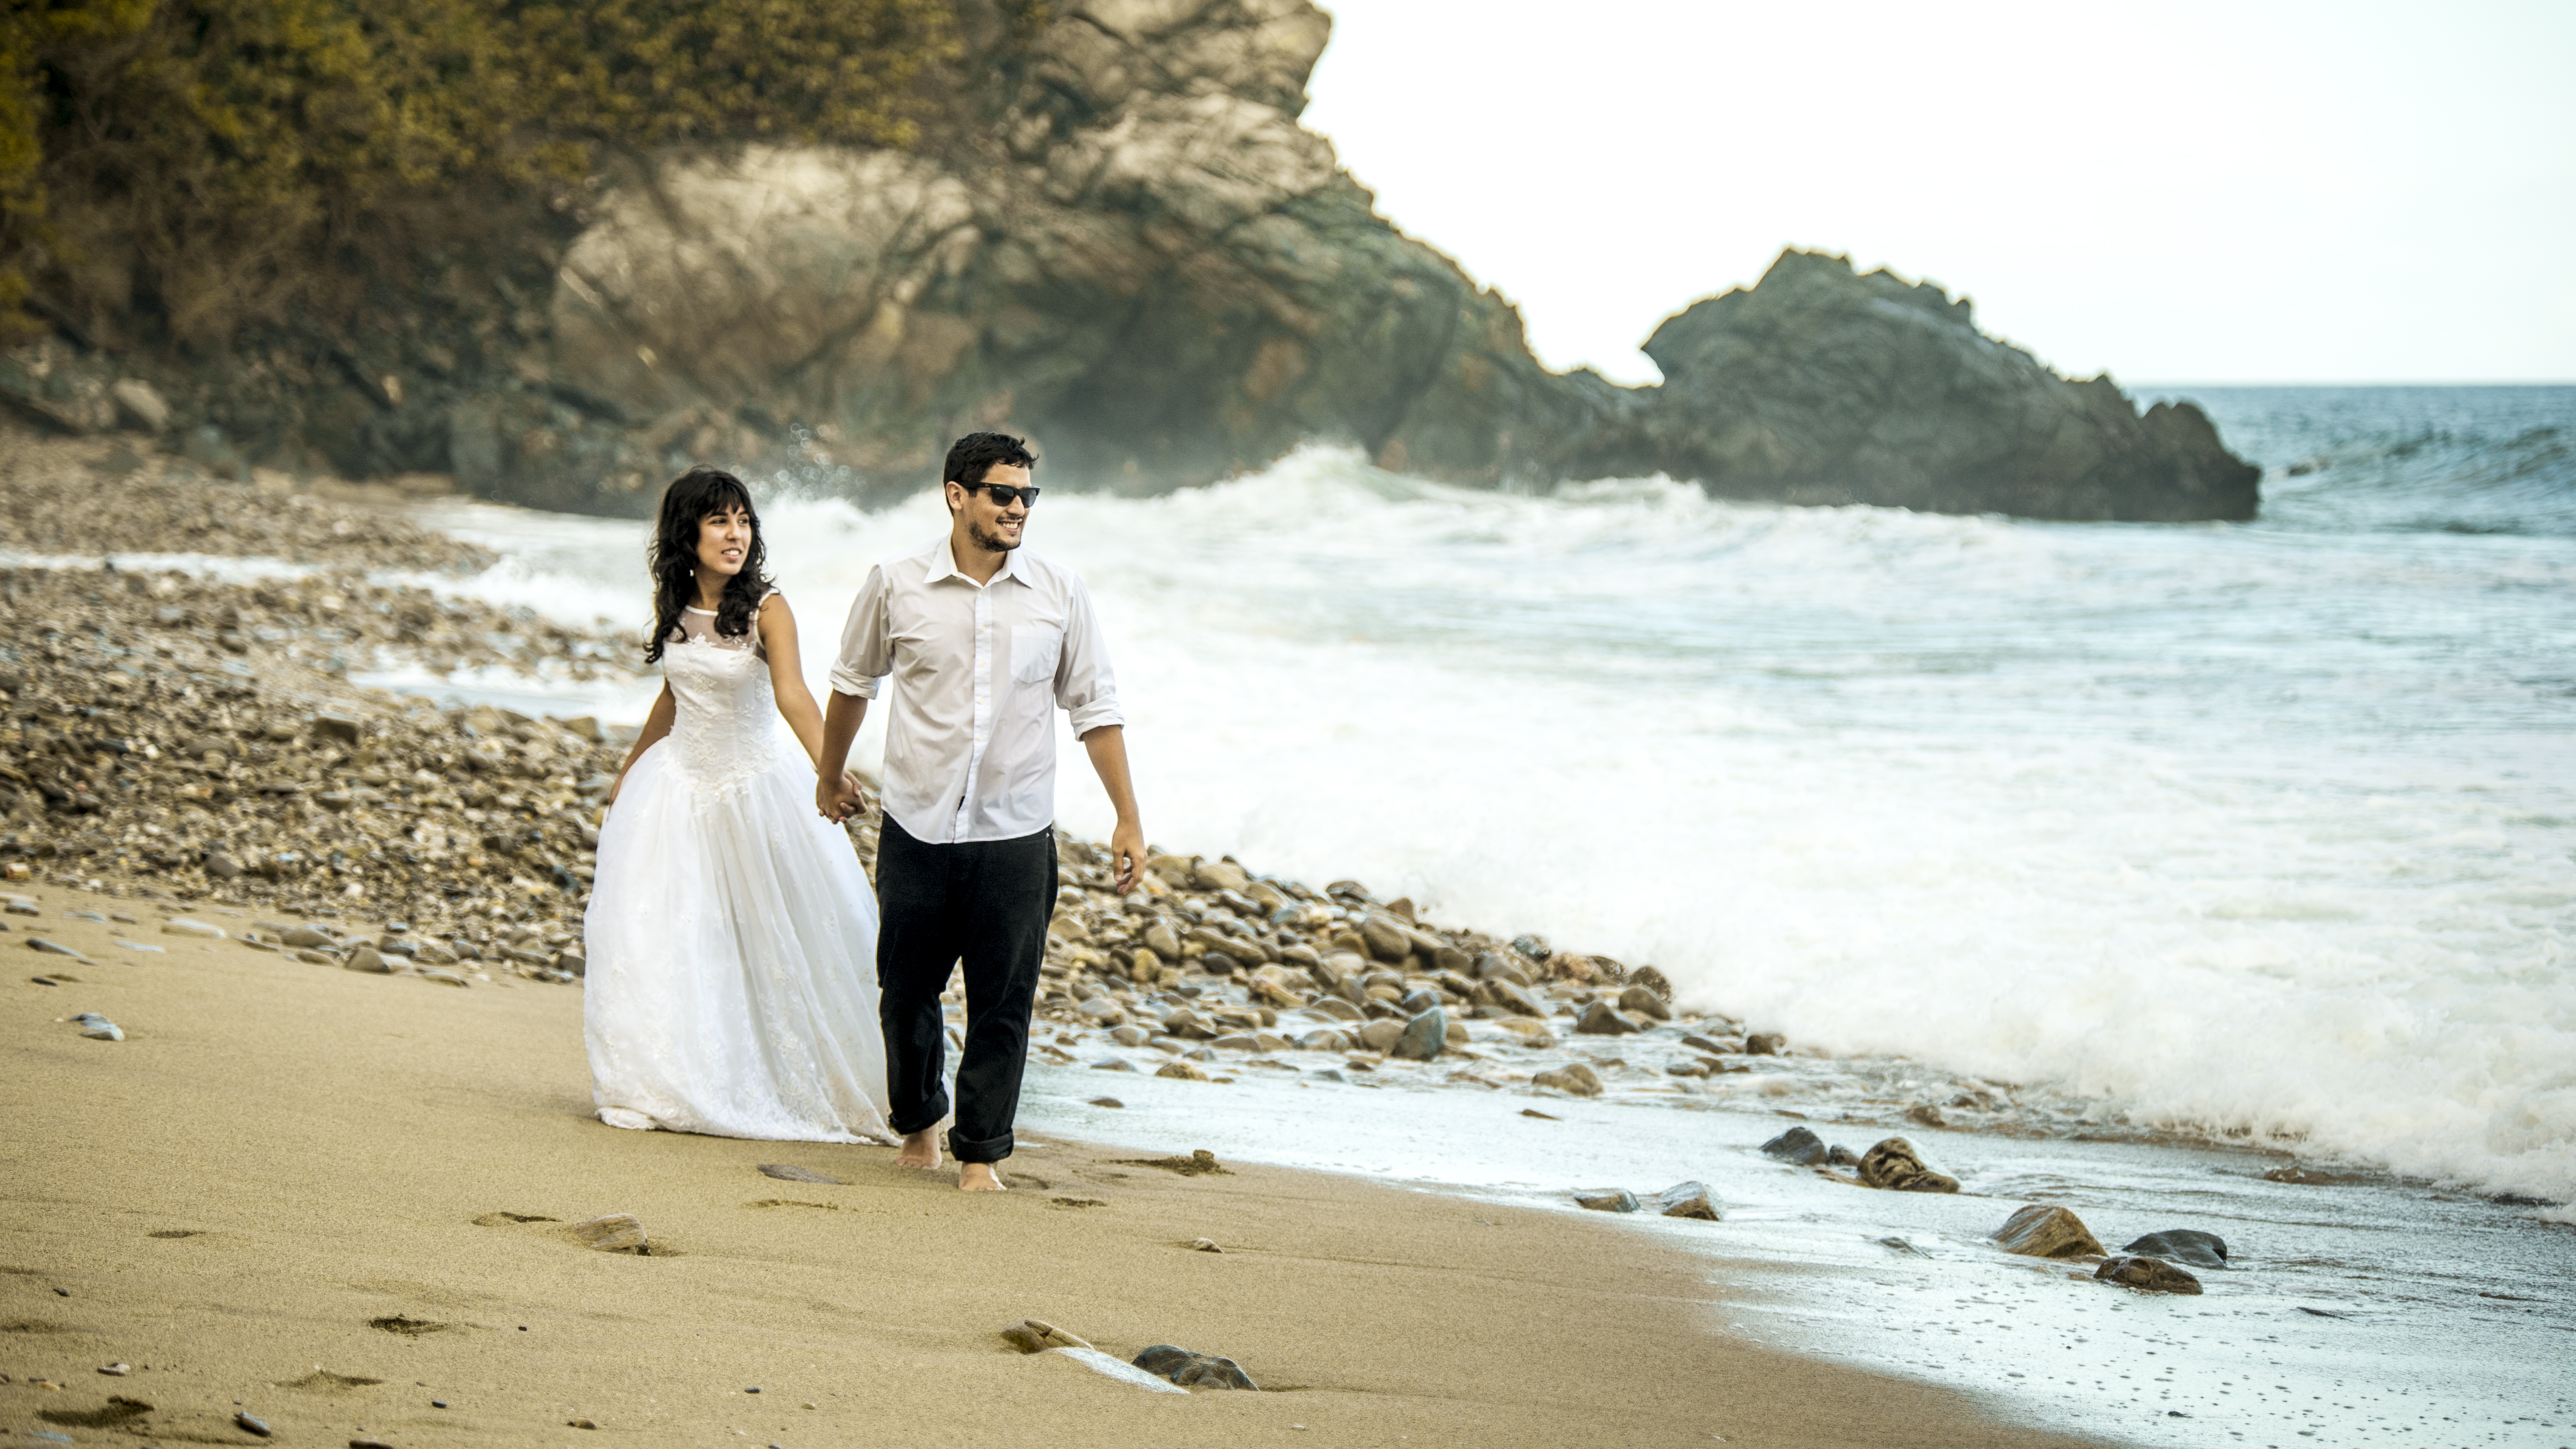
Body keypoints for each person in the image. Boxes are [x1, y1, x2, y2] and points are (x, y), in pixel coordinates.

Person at [815, 431, 1145, 1192]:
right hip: (918, 824)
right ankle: (920, 1127)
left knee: (1004, 1000)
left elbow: (1095, 708)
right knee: (905, 994)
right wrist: (829, 775)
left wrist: (1127, 816)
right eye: (1003, 493)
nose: (1018, 508)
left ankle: (980, 1154)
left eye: (1028, 495)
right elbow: (851, 683)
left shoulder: (1060, 592)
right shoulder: (895, 584)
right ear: (956, 495)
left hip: (1016, 830)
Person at [583, 465, 895, 1144]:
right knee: (668, 936)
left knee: (777, 939)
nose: (734, 533)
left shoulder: (766, 609)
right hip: (675, 792)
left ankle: (785, 1079)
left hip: (756, 790)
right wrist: (630, 770)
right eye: (719, 520)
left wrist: (830, 770)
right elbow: (673, 696)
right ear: (686, 531)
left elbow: (793, 695)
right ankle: (663, 1078)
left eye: (743, 520)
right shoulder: (676, 606)